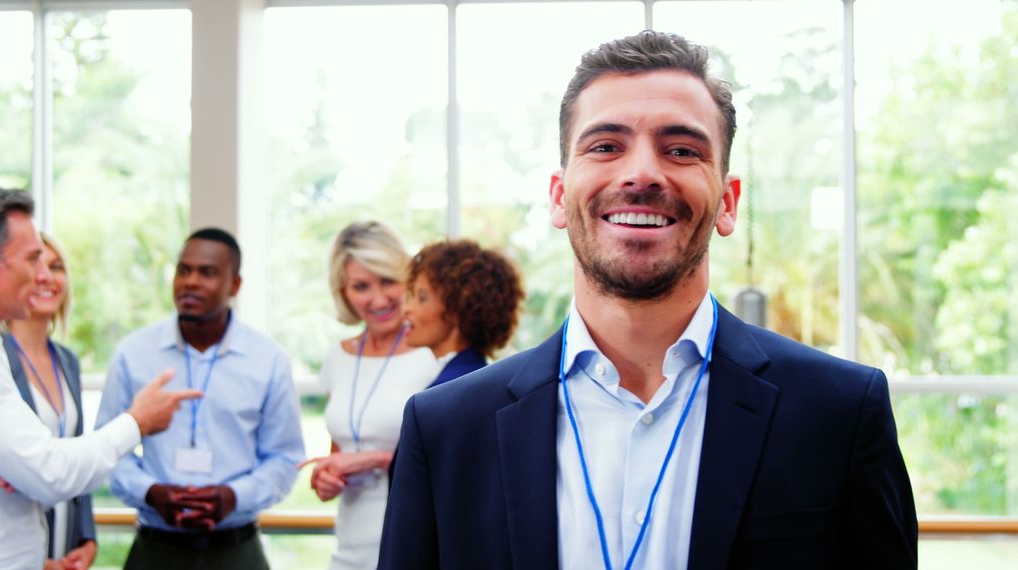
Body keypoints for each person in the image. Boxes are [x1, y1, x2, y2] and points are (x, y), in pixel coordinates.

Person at [378, 31, 917, 569]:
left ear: (727, 203)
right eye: (605, 146)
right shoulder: (446, 428)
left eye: (681, 150)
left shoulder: (840, 414)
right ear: (560, 196)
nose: (641, 174)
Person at [0, 183, 199, 570]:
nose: (42, 276)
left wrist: (20, 466)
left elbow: (30, 464)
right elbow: (49, 472)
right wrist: (137, 421)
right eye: (32, 259)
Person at [95, 227, 304, 569]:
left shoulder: (268, 360)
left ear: (234, 285)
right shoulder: (133, 353)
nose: (190, 282)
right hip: (155, 549)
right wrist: (151, 492)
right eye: (183, 270)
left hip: (237, 550)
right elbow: (108, 448)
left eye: (207, 273)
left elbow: (284, 458)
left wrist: (234, 497)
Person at [303, 220, 437, 570]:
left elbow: (455, 466)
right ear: (343, 291)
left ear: (407, 278)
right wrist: (326, 478)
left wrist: (375, 460)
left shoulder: (434, 354)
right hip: (348, 551)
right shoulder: (338, 357)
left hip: (414, 548)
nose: (378, 299)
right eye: (361, 286)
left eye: (388, 281)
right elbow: (341, 452)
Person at [2, 233, 98, 569]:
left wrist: (88, 539)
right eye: (36, 264)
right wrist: (35, 560)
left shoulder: (67, 360)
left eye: (56, 267)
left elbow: (78, 452)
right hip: (16, 551)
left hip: (67, 549)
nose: (47, 276)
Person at [402, 239, 524, 386]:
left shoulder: (450, 390)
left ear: (457, 308)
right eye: (412, 296)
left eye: (422, 298)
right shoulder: (475, 375)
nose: (407, 309)